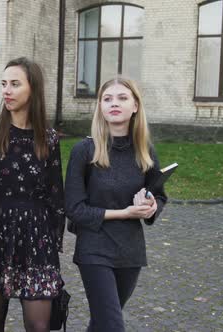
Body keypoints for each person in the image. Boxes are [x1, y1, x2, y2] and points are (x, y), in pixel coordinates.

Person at [0, 57, 66, 332]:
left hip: (37, 238)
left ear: (32, 89)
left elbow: (55, 193)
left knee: (39, 325)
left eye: (14, 84)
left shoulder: (49, 137)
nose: (6, 91)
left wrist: (52, 243)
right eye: (3, 84)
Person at [64, 77, 167, 332]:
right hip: (94, 249)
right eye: (107, 99)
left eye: (122, 98)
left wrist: (152, 206)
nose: (114, 104)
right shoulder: (84, 151)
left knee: (102, 323)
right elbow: (74, 209)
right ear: (100, 106)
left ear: (135, 106)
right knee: (112, 325)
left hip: (130, 252)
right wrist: (125, 212)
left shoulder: (145, 151)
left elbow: (159, 194)